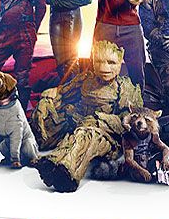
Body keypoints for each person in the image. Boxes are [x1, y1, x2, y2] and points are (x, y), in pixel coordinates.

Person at [31, 40, 143, 193]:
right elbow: (62, 91)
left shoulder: (124, 87)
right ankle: (33, 148)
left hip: (104, 134)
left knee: (85, 137)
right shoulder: (86, 79)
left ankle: (67, 172)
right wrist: (48, 97)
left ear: (119, 62)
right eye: (99, 61)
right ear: (92, 59)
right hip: (78, 121)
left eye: (111, 63)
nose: (104, 68)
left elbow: (128, 122)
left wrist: (100, 120)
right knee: (48, 120)